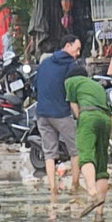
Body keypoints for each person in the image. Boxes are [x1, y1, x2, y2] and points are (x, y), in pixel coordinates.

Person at [66, 66, 112, 201]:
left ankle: (92, 190)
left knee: (85, 156)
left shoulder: (71, 82)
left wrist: (81, 122)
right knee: (101, 168)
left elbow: (75, 108)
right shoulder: (98, 88)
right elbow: (110, 120)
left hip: (87, 116)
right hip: (104, 120)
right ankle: (99, 211)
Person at [34, 36, 81, 196]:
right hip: (61, 113)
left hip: (42, 113)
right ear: (67, 45)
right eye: (77, 49)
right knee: (76, 150)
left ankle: (53, 189)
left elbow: (36, 86)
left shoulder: (45, 63)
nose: (78, 53)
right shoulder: (71, 65)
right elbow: (73, 92)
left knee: (49, 153)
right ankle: (75, 185)